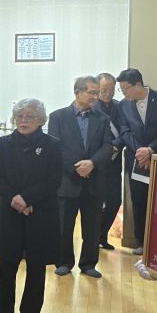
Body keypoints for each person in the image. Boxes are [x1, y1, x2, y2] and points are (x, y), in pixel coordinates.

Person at [0, 99, 62, 313]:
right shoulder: (5, 143)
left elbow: (54, 181)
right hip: (11, 212)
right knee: (7, 261)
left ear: (41, 120)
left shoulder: (52, 145)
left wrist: (27, 199)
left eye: (29, 116)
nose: (23, 121)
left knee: (36, 264)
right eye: (19, 116)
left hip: (40, 213)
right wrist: (16, 200)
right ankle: (3, 308)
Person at [46, 76, 114, 278]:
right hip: (67, 180)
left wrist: (92, 163)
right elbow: (55, 147)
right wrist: (76, 167)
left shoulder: (102, 118)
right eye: (92, 93)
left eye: (97, 93)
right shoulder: (58, 116)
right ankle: (63, 262)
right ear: (77, 92)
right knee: (63, 226)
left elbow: (108, 146)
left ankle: (88, 264)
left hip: (94, 180)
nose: (96, 97)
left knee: (92, 227)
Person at [116, 68, 157, 254]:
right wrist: (141, 152)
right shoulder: (123, 105)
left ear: (138, 84)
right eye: (121, 89)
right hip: (136, 159)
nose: (123, 93)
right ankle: (141, 241)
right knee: (139, 201)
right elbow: (124, 131)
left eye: (125, 88)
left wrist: (150, 150)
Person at [94, 72, 125, 251]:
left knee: (115, 201)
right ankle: (93, 237)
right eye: (104, 90)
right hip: (97, 163)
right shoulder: (92, 107)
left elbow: (126, 131)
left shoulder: (120, 107)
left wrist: (115, 146)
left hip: (114, 161)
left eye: (112, 89)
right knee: (96, 203)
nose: (108, 93)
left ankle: (101, 235)